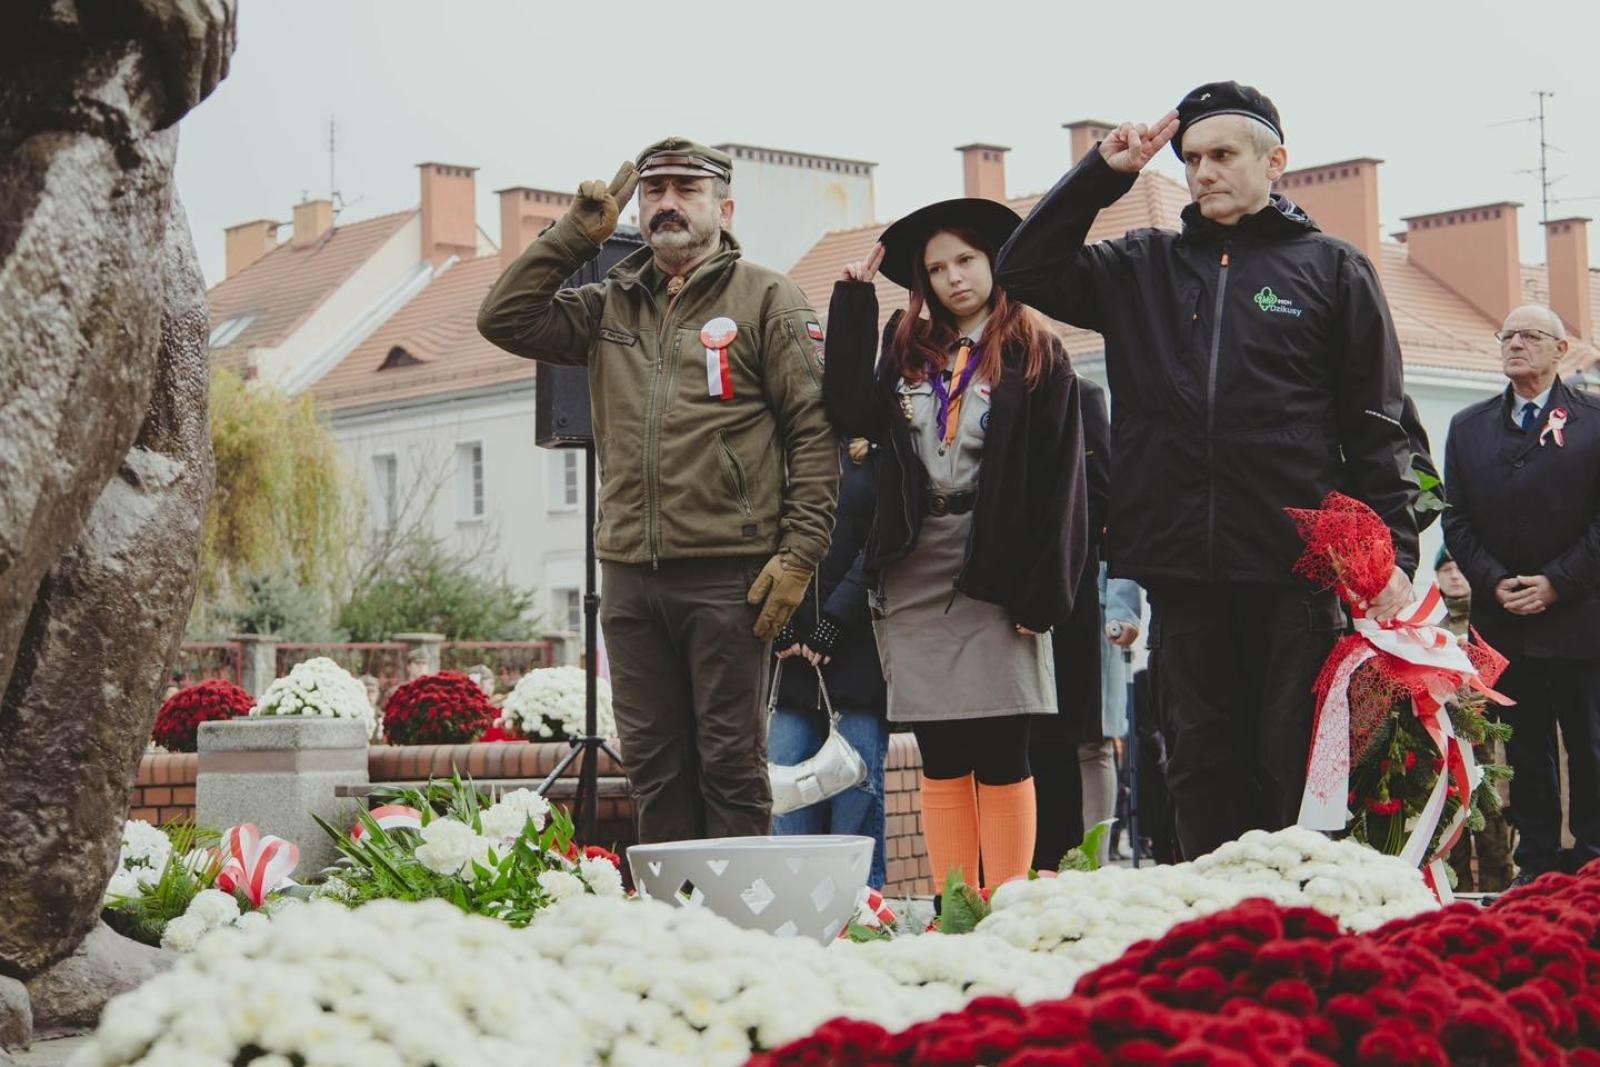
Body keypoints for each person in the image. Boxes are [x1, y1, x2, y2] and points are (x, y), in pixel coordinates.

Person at [995, 81, 1419, 860]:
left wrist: (1392, 552)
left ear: (1275, 161)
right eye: (1192, 158)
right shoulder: (1142, 267)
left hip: (1296, 568)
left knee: (1292, 766)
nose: (1203, 172)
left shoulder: (1332, 270)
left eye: (1222, 154)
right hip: (1182, 567)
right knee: (1199, 767)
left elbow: (1380, 426)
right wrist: (1103, 174)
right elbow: (1023, 269)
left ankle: (1302, 933)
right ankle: (1216, 940)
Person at [478, 137, 839, 843]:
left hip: (730, 572)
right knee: (653, 766)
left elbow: (814, 434)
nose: (667, 202)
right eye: (654, 190)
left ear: (725, 208)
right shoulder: (609, 304)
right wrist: (570, 238)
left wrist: (800, 553)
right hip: (631, 576)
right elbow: (504, 318)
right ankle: (674, 928)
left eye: (686, 188)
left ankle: (738, 933)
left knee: (731, 764)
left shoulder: (769, 297)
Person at [825, 198, 1089, 891]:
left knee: (1003, 747)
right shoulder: (904, 344)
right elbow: (849, 411)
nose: (953, 278)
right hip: (916, 563)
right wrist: (851, 304)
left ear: (995, 261)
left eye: (966, 260)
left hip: (997, 559)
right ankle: (954, 905)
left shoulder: (1035, 347)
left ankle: (1005, 903)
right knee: (941, 753)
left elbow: (1065, 477)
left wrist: (1048, 590)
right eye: (937, 267)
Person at [1442, 304, 1600, 885]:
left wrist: (1558, 580)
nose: (1515, 344)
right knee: (1525, 750)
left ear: (1561, 350)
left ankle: (1592, 863)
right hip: (1504, 619)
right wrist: (1492, 579)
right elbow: (1454, 520)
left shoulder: (1594, 419)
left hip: (1582, 617)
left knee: (1590, 746)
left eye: (1530, 335)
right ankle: (1535, 866)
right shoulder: (1468, 426)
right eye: (1507, 335)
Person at [769, 438, 889, 888]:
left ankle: (860, 908)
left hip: (856, 649)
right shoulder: (778, 447)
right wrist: (779, 618)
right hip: (790, 659)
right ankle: (793, 907)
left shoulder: (873, 451)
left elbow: (880, 538)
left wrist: (836, 618)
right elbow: (759, 532)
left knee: (854, 800)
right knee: (788, 799)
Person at [1032, 377, 1109, 872]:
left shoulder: (1081, 394)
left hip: (1067, 591)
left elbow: (1102, 495)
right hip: (990, 597)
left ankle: (1067, 869)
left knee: (1065, 742)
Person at [1435, 547, 1515, 892]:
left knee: (1488, 804)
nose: (1453, 575)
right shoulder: (1428, 620)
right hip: (1444, 727)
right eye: (1445, 568)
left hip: (1484, 726)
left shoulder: (1489, 620)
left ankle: (1498, 882)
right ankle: (1458, 888)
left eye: (1458, 567)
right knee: (1450, 805)